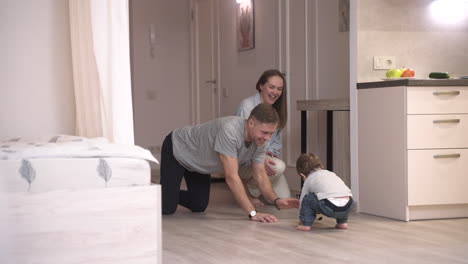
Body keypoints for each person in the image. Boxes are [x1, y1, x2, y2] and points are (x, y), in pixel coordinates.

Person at [160, 103, 299, 222]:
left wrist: (276, 200)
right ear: (251, 123)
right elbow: (232, 177)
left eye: (271, 133)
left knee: (198, 206)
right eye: (264, 132)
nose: (267, 138)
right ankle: (162, 193)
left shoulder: (260, 141)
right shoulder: (230, 131)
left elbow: (260, 175)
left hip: (199, 164)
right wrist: (253, 213)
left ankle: (166, 191)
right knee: (167, 207)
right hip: (178, 149)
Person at [235, 69, 290, 208]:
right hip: (245, 160)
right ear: (261, 86)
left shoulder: (277, 109)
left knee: (284, 199)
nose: (275, 92)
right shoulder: (246, 106)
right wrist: (262, 156)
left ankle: (258, 188)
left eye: (279, 89)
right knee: (279, 166)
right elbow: (242, 140)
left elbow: (275, 141)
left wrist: (271, 153)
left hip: (262, 156)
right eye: (271, 87)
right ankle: (248, 191)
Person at [295, 153, 353, 231]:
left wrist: (302, 218)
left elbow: (302, 201)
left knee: (308, 198)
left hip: (330, 206)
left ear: (302, 175)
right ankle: (342, 223)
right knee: (340, 195)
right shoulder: (330, 173)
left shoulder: (309, 179)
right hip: (348, 205)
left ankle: (305, 224)